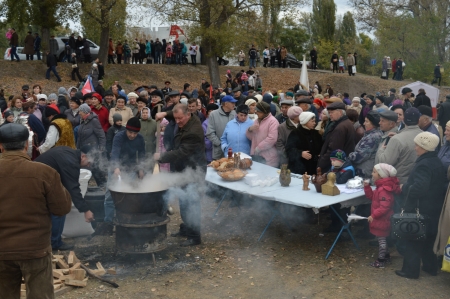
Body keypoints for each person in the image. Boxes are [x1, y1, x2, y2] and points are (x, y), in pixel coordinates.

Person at [0, 124, 71, 298]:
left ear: (0, 146)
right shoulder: (45, 173)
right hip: (35, 249)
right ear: (27, 145)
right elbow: (62, 208)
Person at [395, 132, 447, 279]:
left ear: (424, 147)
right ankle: (430, 267)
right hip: (433, 207)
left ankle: (410, 271)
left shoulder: (423, 164)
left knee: (413, 239)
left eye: (417, 144)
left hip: (421, 207)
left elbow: (419, 188)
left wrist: (405, 187)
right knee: (429, 238)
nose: (415, 147)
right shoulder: (436, 161)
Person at [154, 104, 207, 246]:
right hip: (183, 168)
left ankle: (194, 237)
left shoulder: (193, 132)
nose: (177, 121)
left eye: (180, 119)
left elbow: (181, 152)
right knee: (183, 200)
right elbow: (176, 112)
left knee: (191, 203)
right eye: (176, 118)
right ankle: (186, 228)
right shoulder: (188, 116)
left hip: (193, 171)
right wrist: (164, 114)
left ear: (188, 115)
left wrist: (161, 157)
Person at [35, 146, 95, 250]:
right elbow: (73, 188)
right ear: (83, 156)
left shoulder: (69, 152)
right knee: (59, 209)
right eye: (88, 163)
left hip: (38, 178)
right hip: (38, 181)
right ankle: (55, 243)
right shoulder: (71, 162)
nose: (88, 166)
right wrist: (85, 210)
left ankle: (46, 240)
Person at [364, 163, 401, 268]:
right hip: (381, 219)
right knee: (382, 238)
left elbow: (385, 207)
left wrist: (374, 215)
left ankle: (380, 261)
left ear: (381, 175)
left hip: (382, 219)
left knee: (381, 240)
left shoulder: (384, 189)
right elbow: (372, 197)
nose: (372, 174)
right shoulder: (380, 187)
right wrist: (367, 188)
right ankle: (387, 256)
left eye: (374, 172)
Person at [375, 108, 422, 185]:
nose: (380, 123)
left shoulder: (396, 139)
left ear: (404, 119)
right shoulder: (425, 136)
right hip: (417, 181)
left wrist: (381, 149)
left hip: (398, 184)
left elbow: (384, 162)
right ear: (418, 120)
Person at [318, 102, 355, 172]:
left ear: (340, 112)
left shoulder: (340, 127)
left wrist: (321, 162)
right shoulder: (346, 123)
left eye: (332, 112)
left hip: (335, 165)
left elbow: (333, 149)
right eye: (329, 112)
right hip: (342, 163)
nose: (330, 115)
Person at [284, 110, 323, 175]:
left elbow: (320, 147)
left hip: (313, 168)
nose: (314, 123)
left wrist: (319, 155)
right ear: (305, 122)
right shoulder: (295, 133)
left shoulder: (316, 133)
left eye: (315, 121)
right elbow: (289, 150)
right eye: (312, 121)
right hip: (298, 168)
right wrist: (301, 153)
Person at [348, 111, 383, 178]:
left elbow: (359, 157)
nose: (364, 123)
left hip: (364, 172)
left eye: (367, 121)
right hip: (366, 169)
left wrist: (348, 156)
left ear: (374, 124)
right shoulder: (373, 134)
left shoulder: (372, 137)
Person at [246, 101, 279, 167]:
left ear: (264, 112)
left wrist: (259, 148)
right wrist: (250, 130)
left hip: (268, 157)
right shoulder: (256, 121)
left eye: (258, 111)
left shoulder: (273, 121)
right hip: (256, 155)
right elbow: (251, 137)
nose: (256, 112)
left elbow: (272, 138)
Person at [207, 95, 237, 160]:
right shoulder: (213, 114)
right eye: (232, 103)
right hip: (219, 151)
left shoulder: (235, 113)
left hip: (233, 150)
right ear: (226, 104)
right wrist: (220, 144)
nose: (234, 104)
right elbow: (210, 132)